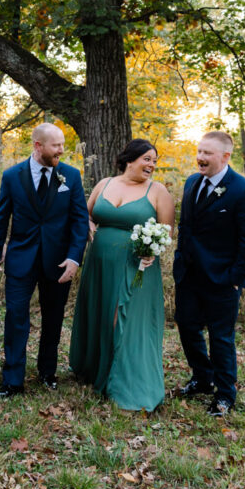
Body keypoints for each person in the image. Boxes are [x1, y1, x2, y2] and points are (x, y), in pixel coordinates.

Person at [69, 139, 175, 411]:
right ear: (130, 159)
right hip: (99, 264)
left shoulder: (157, 191)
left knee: (123, 320)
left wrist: (154, 249)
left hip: (136, 266)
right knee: (102, 315)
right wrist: (90, 225)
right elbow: (86, 214)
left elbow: (167, 231)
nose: (151, 165)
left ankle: (125, 386)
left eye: (154, 160)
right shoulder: (104, 184)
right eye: (147, 159)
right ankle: (95, 371)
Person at [0, 123, 88, 398]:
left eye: (62, 145)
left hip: (58, 262)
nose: (61, 150)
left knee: (53, 318)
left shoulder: (71, 176)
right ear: (38, 146)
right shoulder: (12, 176)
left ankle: (47, 372)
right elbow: (1, 219)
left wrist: (74, 258)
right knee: (15, 316)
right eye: (56, 146)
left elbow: (80, 222)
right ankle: (12, 380)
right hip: (21, 258)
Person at [174, 131, 245, 417]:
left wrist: (235, 277)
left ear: (225, 157)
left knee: (221, 337)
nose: (200, 158)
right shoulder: (191, 182)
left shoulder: (244, 190)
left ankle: (225, 394)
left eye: (207, 154)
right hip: (189, 275)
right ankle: (202, 378)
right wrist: (180, 260)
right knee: (187, 327)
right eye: (200, 152)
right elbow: (186, 226)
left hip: (223, 279)